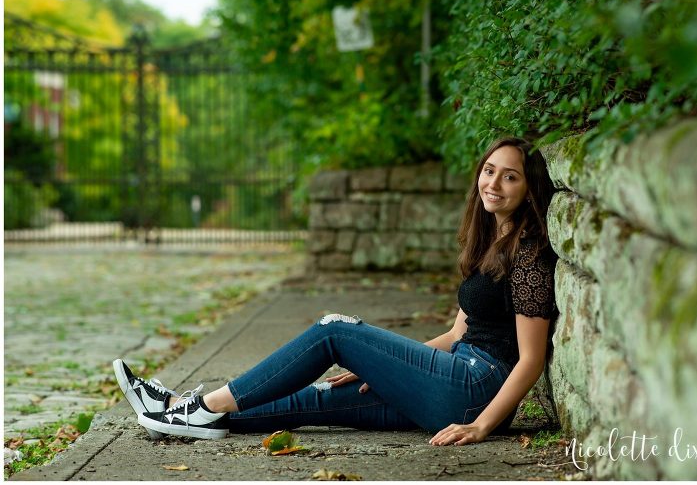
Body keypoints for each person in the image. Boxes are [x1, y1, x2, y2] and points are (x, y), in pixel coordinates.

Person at [113, 136, 556, 444]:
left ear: (527, 185)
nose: (493, 185)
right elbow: (458, 335)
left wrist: (481, 426)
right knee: (314, 402)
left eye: (510, 177)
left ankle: (199, 407)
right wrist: (389, 365)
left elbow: (530, 359)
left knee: (334, 330)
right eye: (489, 171)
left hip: (474, 392)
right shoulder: (489, 242)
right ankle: (176, 413)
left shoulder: (529, 255)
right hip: (449, 380)